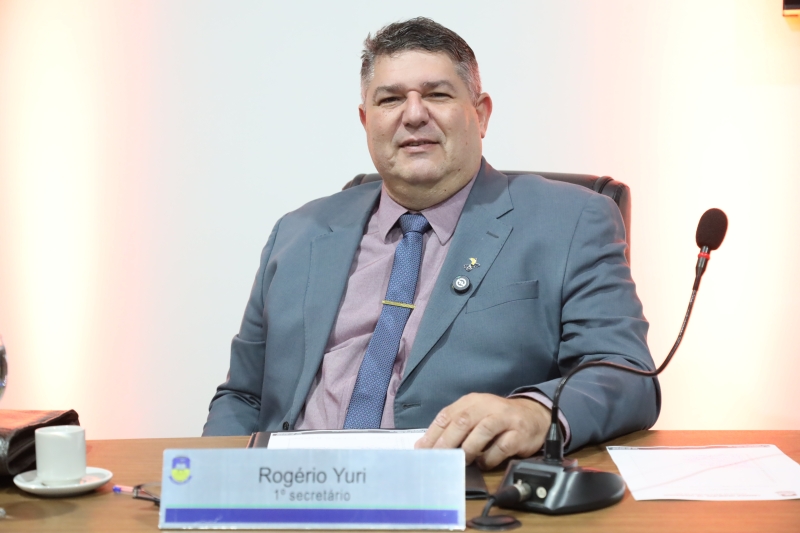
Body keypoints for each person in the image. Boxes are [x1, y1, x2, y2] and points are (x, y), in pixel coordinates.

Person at [203, 17, 659, 469]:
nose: (414, 114)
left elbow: (625, 373)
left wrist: (535, 412)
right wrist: (213, 481)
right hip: (291, 489)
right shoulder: (298, 232)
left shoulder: (572, 219)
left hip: (460, 489)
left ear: (481, 114)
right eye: (390, 99)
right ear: (366, 120)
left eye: (437, 94)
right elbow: (244, 395)